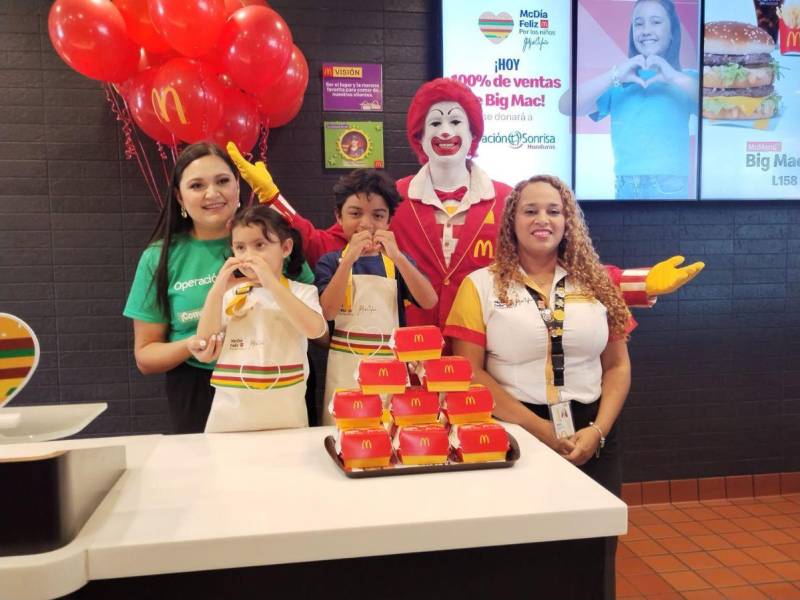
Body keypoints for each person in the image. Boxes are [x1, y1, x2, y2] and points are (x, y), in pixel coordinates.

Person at [227, 78, 703, 326]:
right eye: (434, 123)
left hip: (489, 345)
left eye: (456, 122)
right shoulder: (395, 202)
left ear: (474, 134)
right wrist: (273, 198)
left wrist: (637, 283)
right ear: (419, 137)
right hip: (408, 348)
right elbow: (319, 242)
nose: (446, 131)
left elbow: (562, 260)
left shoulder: (506, 201)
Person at [444, 174, 632, 600]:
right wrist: (540, 430)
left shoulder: (599, 283)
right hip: (514, 432)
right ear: (511, 222)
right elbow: (469, 372)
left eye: (554, 210)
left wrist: (598, 430)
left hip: (592, 432)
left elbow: (618, 366)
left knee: (593, 548)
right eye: (530, 210)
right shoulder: (481, 285)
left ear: (569, 221)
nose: (542, 219)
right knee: (521, 552)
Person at [123, 142, 315, 434]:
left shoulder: (275, 242)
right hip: (199, 392)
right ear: (179, 196)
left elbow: (317, 322)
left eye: (223, 181)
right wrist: (192, 345)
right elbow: (146, 356)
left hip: (281, 387)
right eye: (197, 185)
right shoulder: (159, 258)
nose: (212, 194)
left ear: (238, 186)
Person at [314, 170, 437, 424]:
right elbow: (327, 312)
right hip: (344, 372)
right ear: (339, 216)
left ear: (389, 221)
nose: (366, 223)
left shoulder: (397, 263)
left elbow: (429, 301)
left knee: (389, 434)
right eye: (355, 213)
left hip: (390, 372)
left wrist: (399, 257)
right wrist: (347, 261)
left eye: (378, 215)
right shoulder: (330, 262)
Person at [197, 206, 327, 433]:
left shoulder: (302, 292)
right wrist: (217, 289)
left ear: (285, 248)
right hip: (230, 418)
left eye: (260, 245)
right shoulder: (230, 296)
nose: (249, 255)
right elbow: (205, 341)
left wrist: (271, 283)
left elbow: (315, 330)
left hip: (286, 416)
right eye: (240, 247)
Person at [561, 0, 698, 199]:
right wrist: (613, 75)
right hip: (625, 185)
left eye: (656, 22)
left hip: (669, 186)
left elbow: (716, 102)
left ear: (672, 33)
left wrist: (674, 77)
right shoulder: (620, 81)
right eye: (639, 23)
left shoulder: (687, 79)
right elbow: (566, 106)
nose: (646, 30)